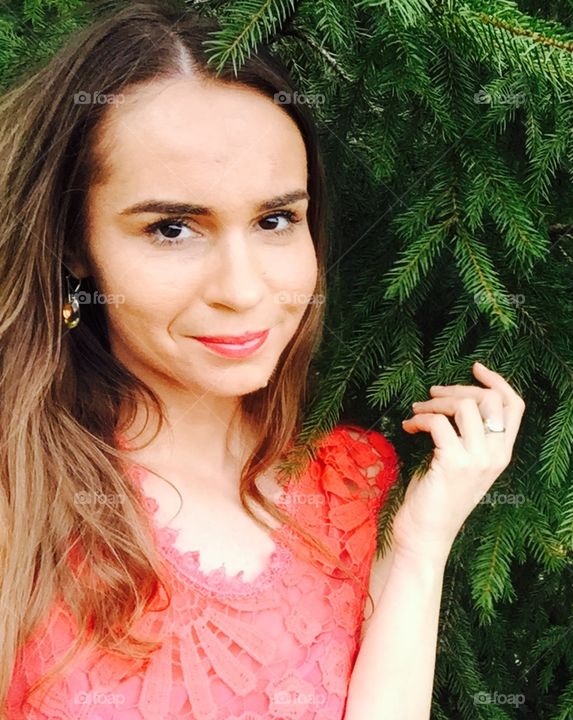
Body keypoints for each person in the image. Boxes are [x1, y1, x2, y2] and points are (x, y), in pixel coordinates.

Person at [0, 1, 526, 718]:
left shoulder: (345, 482)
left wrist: (419, 547)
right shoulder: (19, 490)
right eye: (172, 228)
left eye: (275, 220)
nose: (244, 291)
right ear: (73, 246)